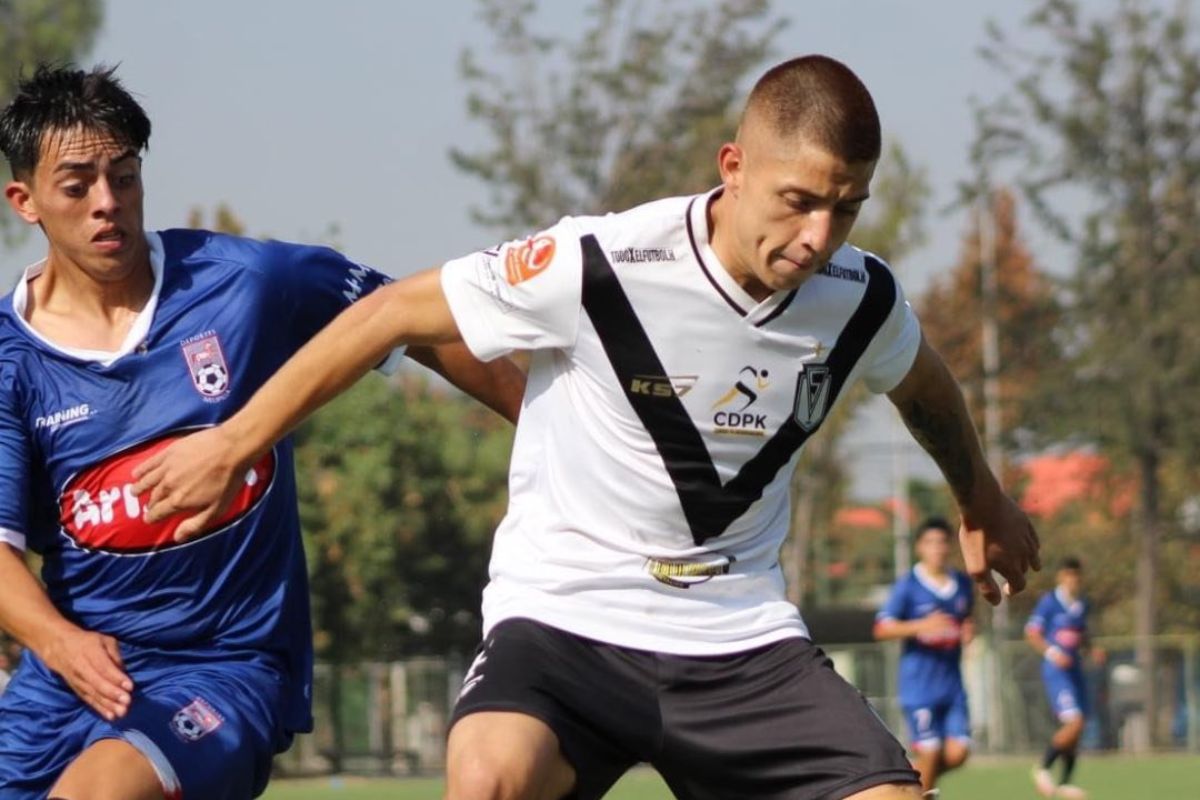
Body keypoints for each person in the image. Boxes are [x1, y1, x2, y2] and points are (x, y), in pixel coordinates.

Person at [134, 55, 1041, 800]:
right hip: (567, 617)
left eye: (847, 207)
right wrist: (232, 440)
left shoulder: (859, 297)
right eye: (798, 199)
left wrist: (981, 498)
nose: (819, 235)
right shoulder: (600, 262)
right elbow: (392, 312)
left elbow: (924, 386)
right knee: (488, 779)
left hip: (739, 636)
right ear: (732, 167)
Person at [0, 64, 523, 800]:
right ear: (24, 200)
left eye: (124, 176)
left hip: (223, 666)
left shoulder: (244, 284)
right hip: (69, 676)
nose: (108, 204)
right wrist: (59, 642)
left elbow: (419, 318)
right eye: (78, 184)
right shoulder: (11, 362)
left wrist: (543, 428)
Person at [874, 517, 976, 793]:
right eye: (930, 542)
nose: (937, 548)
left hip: (953, 686)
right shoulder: (908, 585)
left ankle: (904, 786)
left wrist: (967, 631)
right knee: (930, 752)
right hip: (919, 686)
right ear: (920, 547)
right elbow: (882, 628)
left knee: (958, 753)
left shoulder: (963, 585)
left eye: (942, 542)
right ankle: (914, 790)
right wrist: (921, 625)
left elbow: (965, 621)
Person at [1025, 557, 1095, 800]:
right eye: (1069, 575)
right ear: (1061, 577)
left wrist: (1091, 649)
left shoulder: (1082, 603)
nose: (1073, 580)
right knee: (1074, 723)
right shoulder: (1050, 602)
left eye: (1077, 576)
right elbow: (1032, 633)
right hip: (1057, 673)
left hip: (1075, 671)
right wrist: (1054, 653)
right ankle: (1042, 768)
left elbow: (1082, 635)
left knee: (1078, 729)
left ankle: (1065, 783)